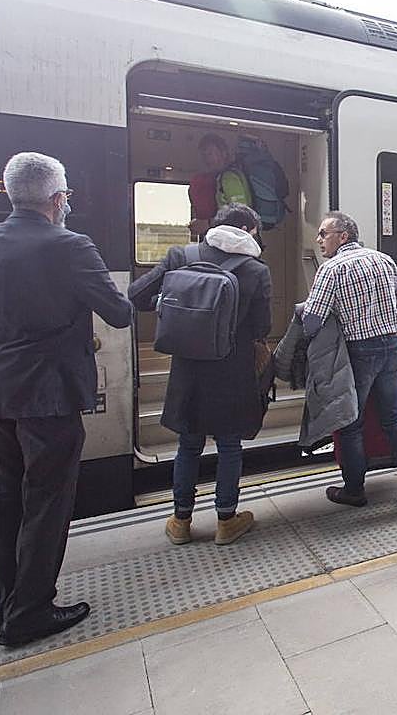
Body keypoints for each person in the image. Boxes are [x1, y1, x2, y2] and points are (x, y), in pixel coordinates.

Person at [0, 152, 132, 647]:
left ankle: (5, 605)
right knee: (46, 501)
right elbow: (119, 312)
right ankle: (31, 610)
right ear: (58, 199)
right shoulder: (70, 245)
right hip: (49, 396)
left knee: (1, 500)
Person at [129, 203, 272, 546]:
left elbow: (137, 295)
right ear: (250, 230)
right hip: (232, 369)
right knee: (229, 445)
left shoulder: (182, 255)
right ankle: (226, 521)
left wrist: (173, 305)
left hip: (188, 368)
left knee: (188, 445)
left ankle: (180, 521)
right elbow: (262, 327)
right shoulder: (256, 270)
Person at [302, 212, 397, 507]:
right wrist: (393, 320)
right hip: (392, 345)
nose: (319, 239)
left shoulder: (331, 269)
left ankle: (354, 490)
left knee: (350, 423)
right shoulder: (382, 259)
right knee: (394, 420)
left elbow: (312, 318)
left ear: (342, 236)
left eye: (324, 233)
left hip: (359, 352)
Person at [188, 134, 251, 241]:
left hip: (236, 243)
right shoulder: (220, 178)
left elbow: (240, 216)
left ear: (224, 153)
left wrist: (207, 223)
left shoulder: (229, 178)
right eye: (204, 155)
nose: (206, 159)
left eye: (210, 153)